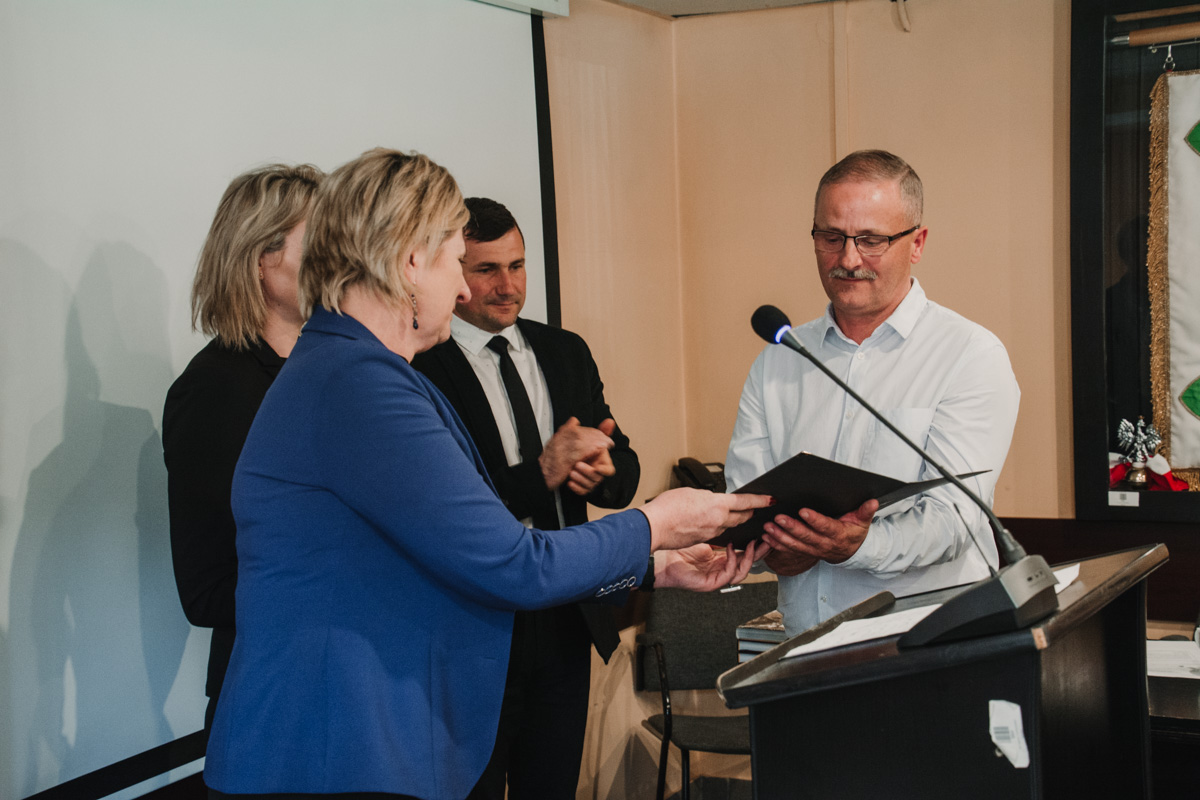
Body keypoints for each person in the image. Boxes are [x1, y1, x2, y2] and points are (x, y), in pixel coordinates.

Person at [202, 147, 769, 800]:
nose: (466, 290)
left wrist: (652, 566)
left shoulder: (356, 370)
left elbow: (462, 555)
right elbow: (510, 562)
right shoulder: (358, 385)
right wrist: (656, 524)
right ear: (410, 261)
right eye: (455, 261)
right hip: (331, 755)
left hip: (352, 749)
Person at [725, 149, 1020, 636]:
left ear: (917, 242)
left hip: (928, 648)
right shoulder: (778, 360)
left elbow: (955, 519)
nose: (848, 259)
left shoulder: (969, 354)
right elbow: (745, 503)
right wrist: (771, 549)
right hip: (808, 650)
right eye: (831, 237)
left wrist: (858, 546)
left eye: (871, 240)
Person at [413, 198, 636, 799]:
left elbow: (623, 465)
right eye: (487, 269)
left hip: (565, 617)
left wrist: (602, 472)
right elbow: (449, 512)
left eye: (517, 265)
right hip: (475, 625)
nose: (507, 286)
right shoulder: (422, 366)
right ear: (456, 272)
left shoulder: (564, 350)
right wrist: (543, 473)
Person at [162, 163, 323, 731]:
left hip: (344, 679)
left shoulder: (330, 365)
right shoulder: (213, 389)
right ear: (259, 257)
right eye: (318, 244)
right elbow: (206, 590)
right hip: (272, 696)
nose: (339, 262)